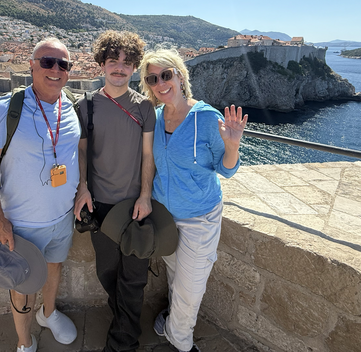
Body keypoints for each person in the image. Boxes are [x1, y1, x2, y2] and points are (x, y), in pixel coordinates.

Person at [0, 37, 80, 352]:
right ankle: (24, 341)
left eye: (63, 64)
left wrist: (83, 187)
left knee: (54, 268)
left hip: (62, 217)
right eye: (47, 62)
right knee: (21, 286)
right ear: (32, 66)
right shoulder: (6, 109)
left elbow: (77, 154)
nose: (55, 69)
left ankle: (49, 314)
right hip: (19, 223)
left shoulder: (70, 106)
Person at [139, 48, 247, 352]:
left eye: (166, 75)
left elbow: (226, 170)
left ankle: (181, 341)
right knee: (176, 278)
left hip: (200, 217)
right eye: (152, 78)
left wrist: (232, 146)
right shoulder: (156, 118)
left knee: (191, 288)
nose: (161, 83)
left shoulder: (206, 117)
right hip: (164, 218)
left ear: (180, 76)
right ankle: (171, 320)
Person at [73, 30, 156, 352]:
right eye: (113, 61)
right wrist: (82, 188)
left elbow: (148, 155)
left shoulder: (144, 108)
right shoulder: (86, 106)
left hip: (135, 205)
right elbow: (81, 152)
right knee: (108, 273)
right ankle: (125, 321)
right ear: (102, 64)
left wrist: (146, 195)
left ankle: (122, 343)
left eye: (126, 62)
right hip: (100, 205)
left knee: (134, 277)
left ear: (134, 68)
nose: (119, 68)